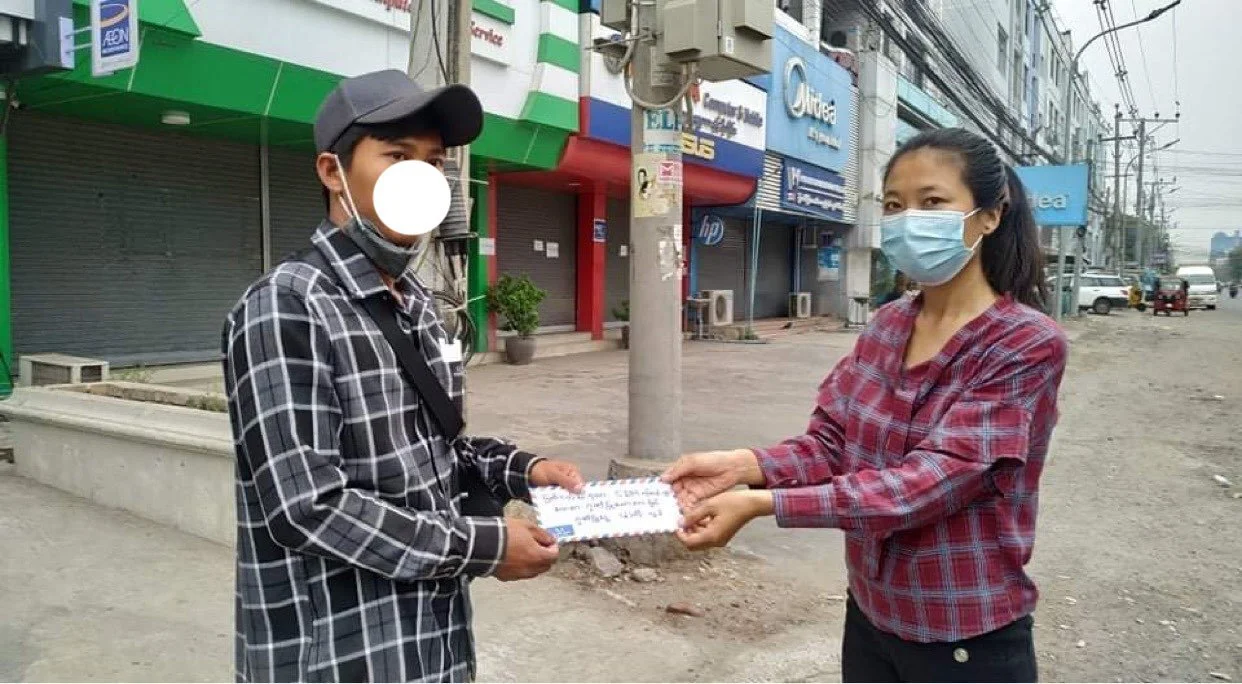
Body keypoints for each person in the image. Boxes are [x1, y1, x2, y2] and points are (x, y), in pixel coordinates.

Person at [663, 127, 1067, 683]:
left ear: (989, 216)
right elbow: (833, 442)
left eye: (933, 202)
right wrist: (742, 465)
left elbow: (931, 482)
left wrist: (763, 505)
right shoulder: (889, 322)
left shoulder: (1025, 342)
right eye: (896, 206)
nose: (908, 220)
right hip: (874, 614)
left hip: (964, 631)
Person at [222, 70, 584, 683]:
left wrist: (522, 469)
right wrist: (485, 547)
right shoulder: (286, 306)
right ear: (332, 172)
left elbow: (432, 452)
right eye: (396, 156)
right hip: (340, 655)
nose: (420, 179)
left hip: (432, 643)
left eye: (432, 162)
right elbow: (309, 508)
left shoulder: (417, 302)